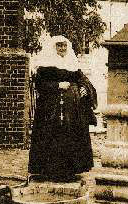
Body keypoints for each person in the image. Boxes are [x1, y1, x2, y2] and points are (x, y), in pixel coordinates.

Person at [28, 35, 97, 181]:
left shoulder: (72, 63)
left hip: (72, 110)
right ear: (54, 47)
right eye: (59, 46)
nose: (62, 49)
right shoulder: (46, 65)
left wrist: (84, 88)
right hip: (50, 109)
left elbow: (82, 79)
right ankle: (49, 170)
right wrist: (57, 85)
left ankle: (70, 170)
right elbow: (39, 85)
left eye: (64, 46)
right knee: (52, 136)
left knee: (70, 135)